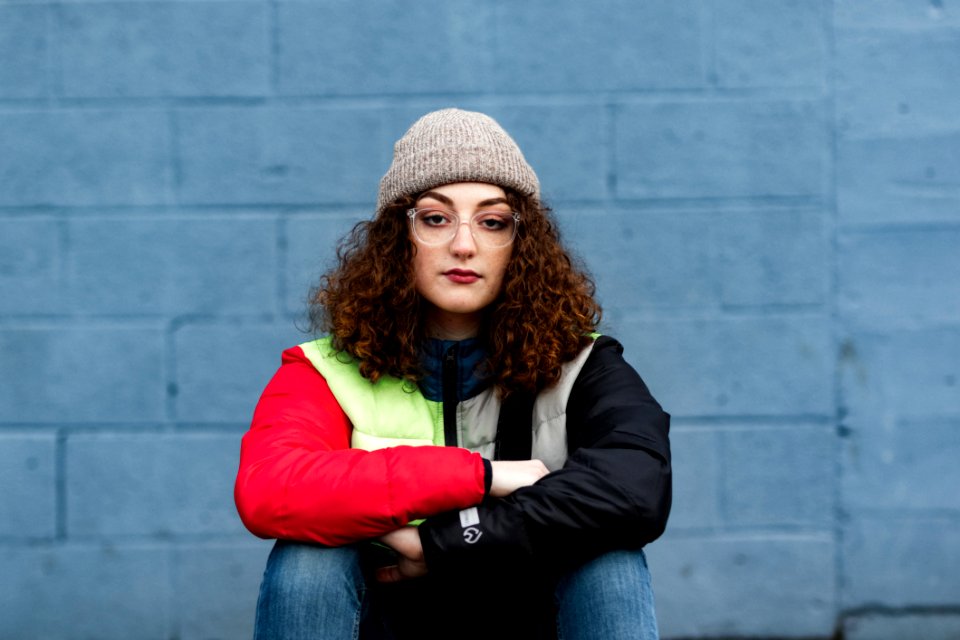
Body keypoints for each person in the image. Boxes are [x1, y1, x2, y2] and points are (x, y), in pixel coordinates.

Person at [234, 108, 672, 639]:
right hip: (385, 616)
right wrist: (479, 476)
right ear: (399, 239)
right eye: (436, 218)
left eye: (492, 222)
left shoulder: (582, 366)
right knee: (306, 561)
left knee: (610, 562)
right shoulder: (325, 371)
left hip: (524, 614)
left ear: (521, 246)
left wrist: (447, 542)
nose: (464, 244)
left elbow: (634, 491)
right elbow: (269, 490)